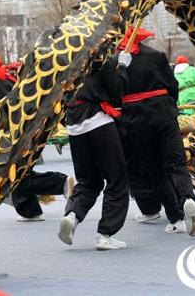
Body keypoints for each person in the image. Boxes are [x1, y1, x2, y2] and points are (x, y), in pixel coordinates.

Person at [115, 26, 195, 236]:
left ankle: (176, 218)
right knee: (176, 164)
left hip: (138, 119)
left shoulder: (117, 62)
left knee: (156, 170)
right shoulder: (157, 55)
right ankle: (188, 199)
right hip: (164, 112)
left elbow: (115, 93)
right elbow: (172, 85)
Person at [0, 52, 73, 222]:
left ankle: (60, 183)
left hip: (18, 135)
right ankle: (30, 209)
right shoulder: (2, 82)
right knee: (18, 173)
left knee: (17, 173)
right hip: (22, 132)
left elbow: (12, 112)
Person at [57, 58, 129, 250]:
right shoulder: (98, 56)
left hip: (73, 124)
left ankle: (73, 216)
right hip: (98, 121)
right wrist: (122, 68)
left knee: (88, 181)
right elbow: (117, 91)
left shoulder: (65, 59)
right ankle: (105, 234)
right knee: (117, 178)